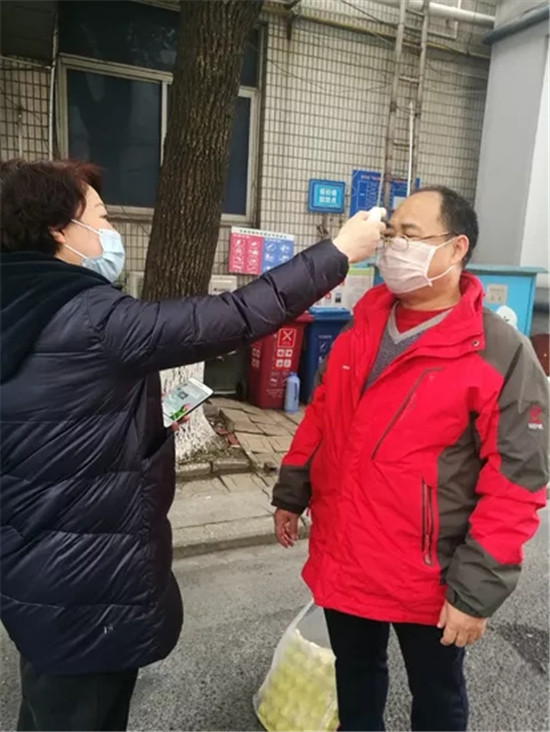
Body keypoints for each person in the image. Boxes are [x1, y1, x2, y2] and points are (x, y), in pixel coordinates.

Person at [0, 158, 385, 732]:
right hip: (88, 581)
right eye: (101, 217)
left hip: (34, 564)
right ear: (60, 229)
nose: (111, 231)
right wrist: (339, 251)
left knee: (47, 704)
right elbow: (235, 315)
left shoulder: (17, 306)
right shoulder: (88, 317)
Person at [272, 186, 549, 732]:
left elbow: (516, 483)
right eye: (391, 233)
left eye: (411, 235)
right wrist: (292, 491)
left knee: (437, 693)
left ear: (456, 248)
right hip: (346, 553)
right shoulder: (363, 326)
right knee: (355, 676)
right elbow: (322, 418)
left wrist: (475, 591)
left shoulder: (499, 351)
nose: (394, 246)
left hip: (431, 574)